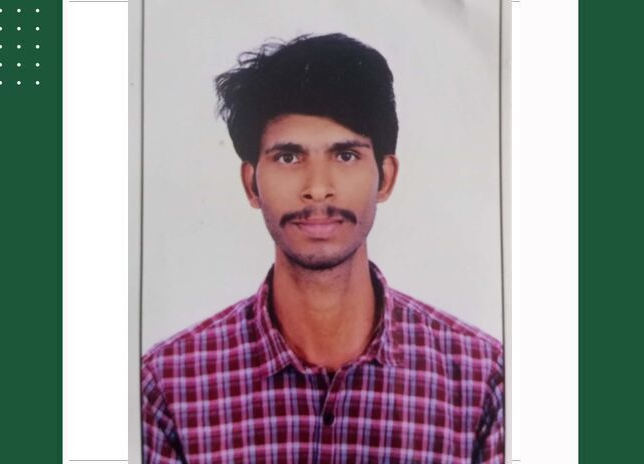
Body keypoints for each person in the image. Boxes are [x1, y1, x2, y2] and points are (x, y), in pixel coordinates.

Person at [142, 33, 504, 463]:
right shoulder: (168, 387)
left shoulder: (482, 381)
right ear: (251, 184)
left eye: (345, 155)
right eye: (289, 157)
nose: (317, 188)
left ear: (385, 177)